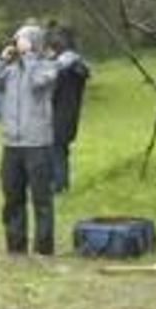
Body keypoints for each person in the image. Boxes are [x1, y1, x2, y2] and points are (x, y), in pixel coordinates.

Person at [0, 24, 59, 256]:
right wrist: (1, 60)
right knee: (13, 198)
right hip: (11, 145)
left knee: (42, 200)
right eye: (17, 40)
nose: (18, 44)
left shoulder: (48, 67)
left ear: (35, 42)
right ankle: (16, 248)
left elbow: (37, 84)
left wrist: (31, 56)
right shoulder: (9, 71)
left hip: (38, 145)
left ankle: (44, 249)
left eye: (23, 40)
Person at [45, 25, 90, 193]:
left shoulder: (60, 68)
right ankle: (60, 185)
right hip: (70, 115)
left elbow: (51, 90)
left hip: (58, 116)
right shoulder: (78, 65)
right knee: (60, 151)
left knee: (56, 152)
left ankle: (58, 186)